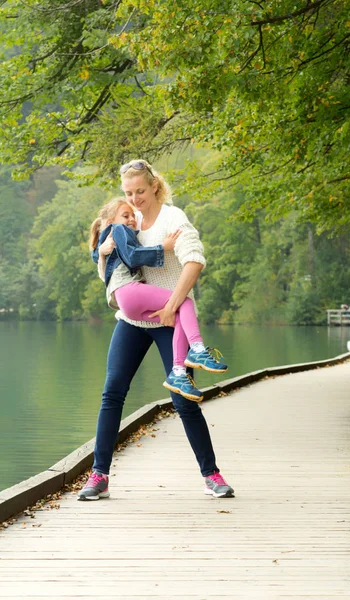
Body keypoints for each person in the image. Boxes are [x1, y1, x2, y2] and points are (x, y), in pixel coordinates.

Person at [77, 159, 234, 501]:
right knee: (112, 392)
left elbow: (194, 260)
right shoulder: (125, 223)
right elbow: (111, 272)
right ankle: (99, 475)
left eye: (141, 192)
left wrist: (171, 306)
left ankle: (212, 475)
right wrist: (103, 253)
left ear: (155, 187)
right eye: (129, 193)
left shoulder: (172, 218)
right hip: (134, 321)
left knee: (184, 399)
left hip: (169, 320)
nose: (135, 199)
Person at [89, 197, 228, 402]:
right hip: (129, 292)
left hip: (129, 304)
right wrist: (164, 247)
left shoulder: (116, 235)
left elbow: (104, 258)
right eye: (125, 215)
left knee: (180, 315)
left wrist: (99, 252)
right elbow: (133, 256)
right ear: (111, 221)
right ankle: (198, 349)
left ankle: (179, 373)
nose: (131, 219)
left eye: (132, 216)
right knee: (185, 301)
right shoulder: (119, 230)